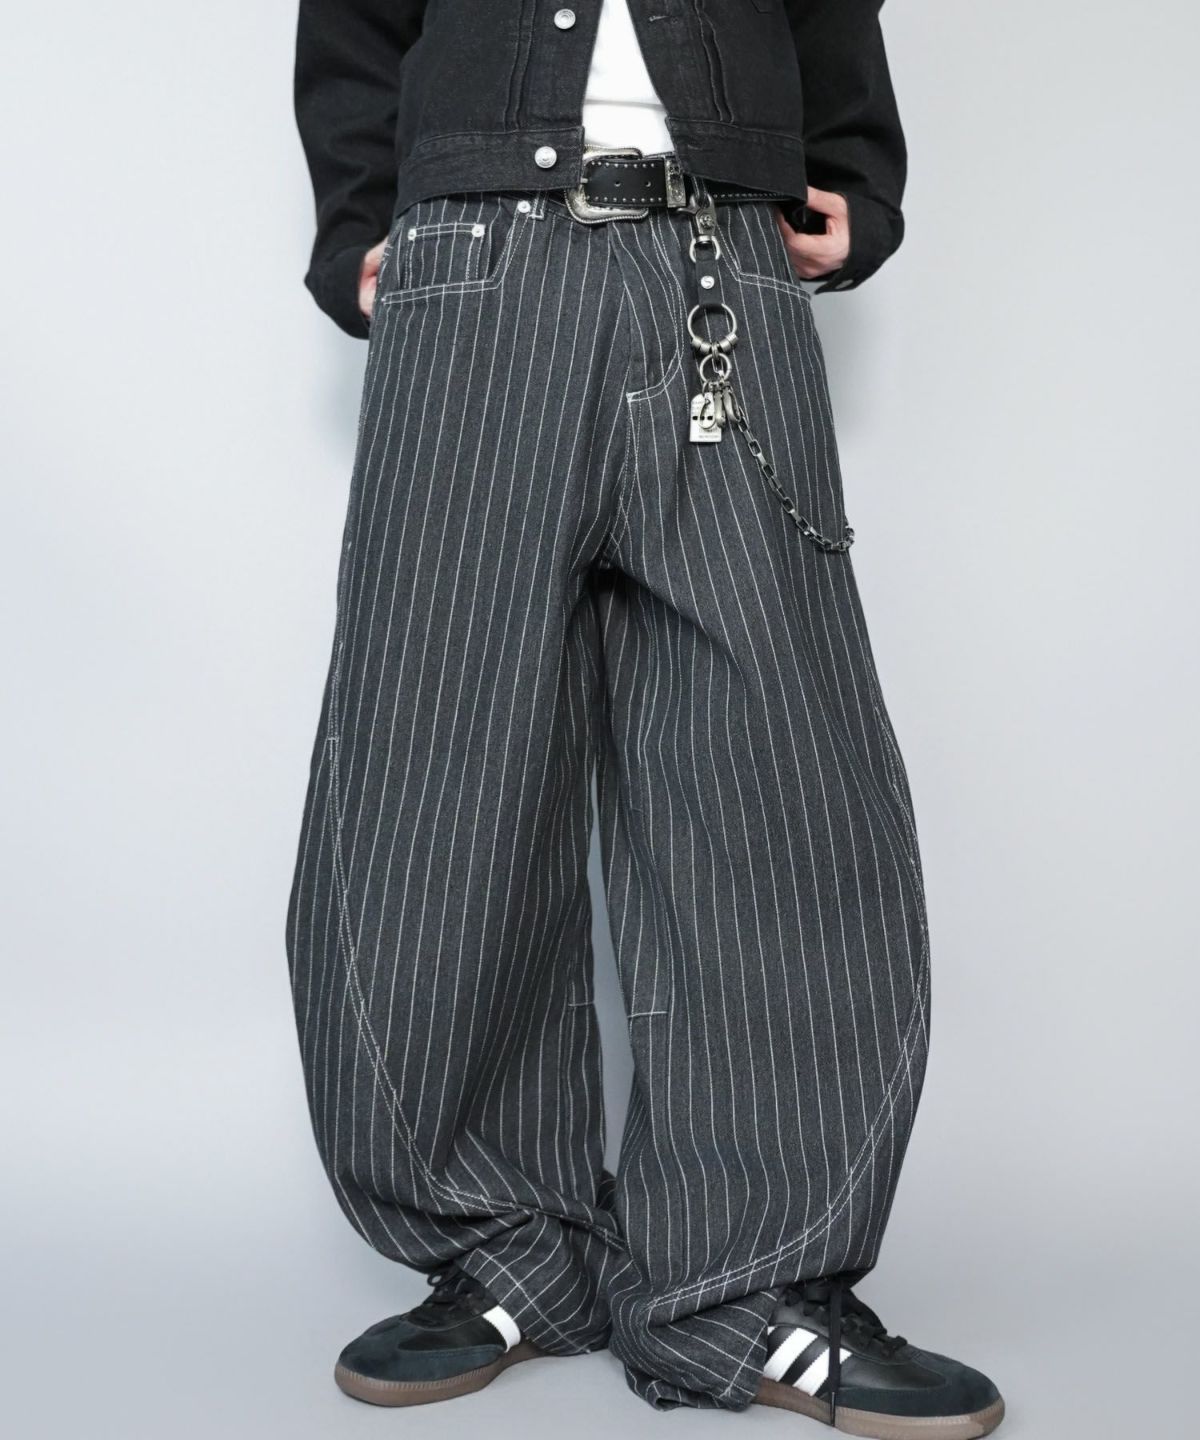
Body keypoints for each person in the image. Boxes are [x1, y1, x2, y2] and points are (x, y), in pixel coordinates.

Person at [286, 3, 1004, 1436]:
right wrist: (363, 221)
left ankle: (751, 1282)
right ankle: (503, 1251)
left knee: (777, 773)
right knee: (436, 765)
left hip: (724, 254)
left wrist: (856, 182)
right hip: (468, 266)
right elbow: (353, 20)